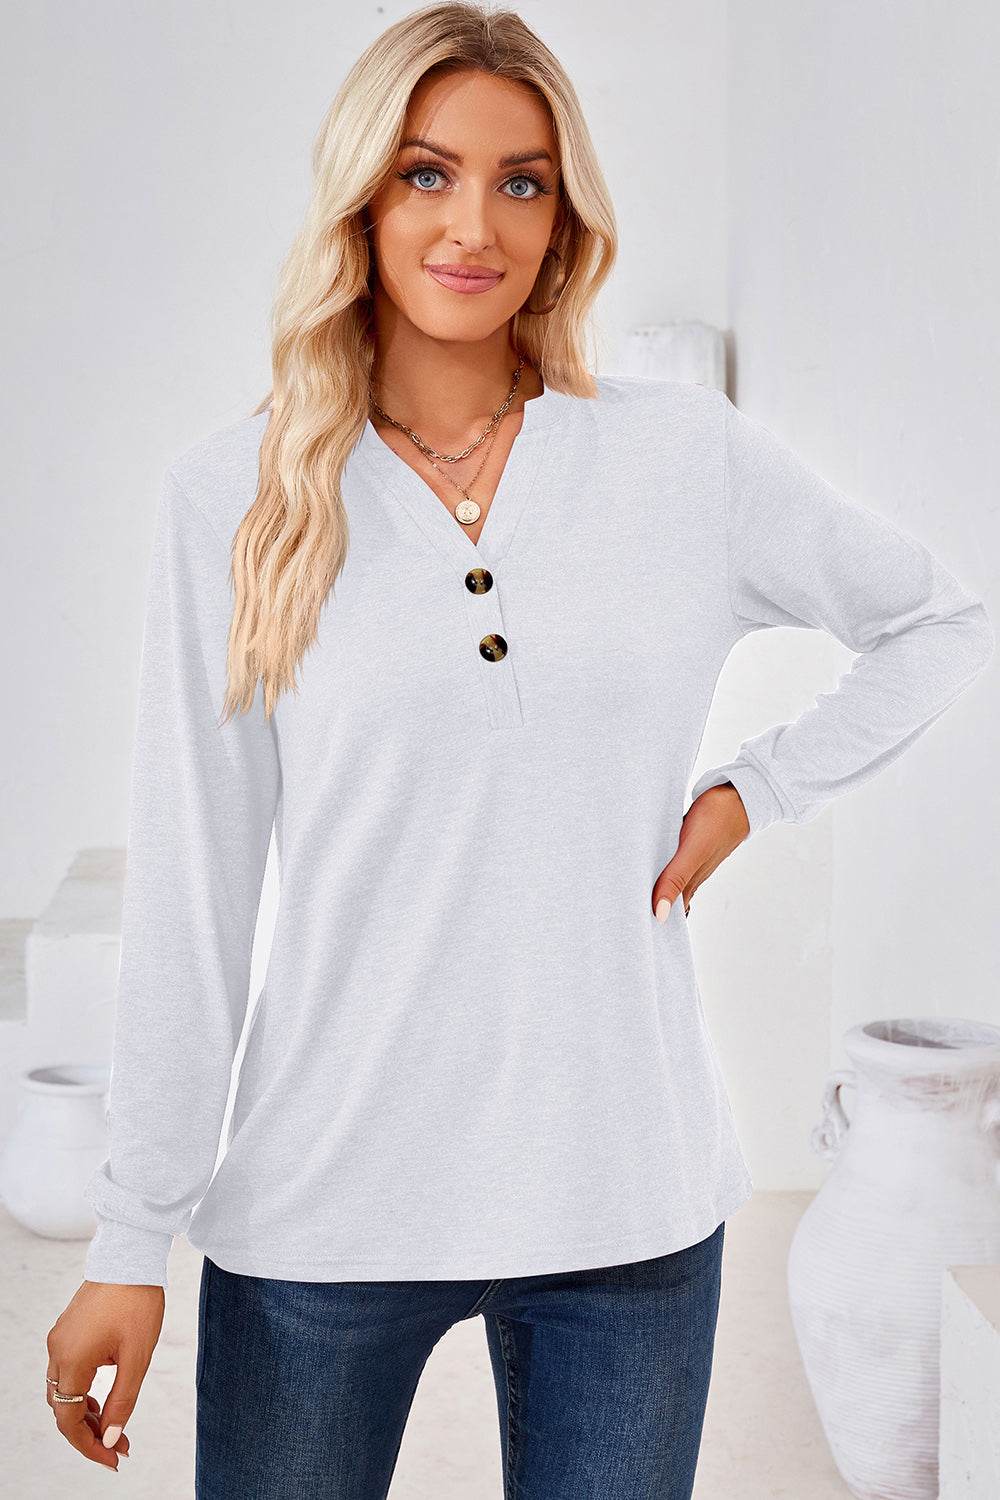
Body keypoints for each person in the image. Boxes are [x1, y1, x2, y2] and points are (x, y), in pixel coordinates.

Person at [44, 4, 994, 1496]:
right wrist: (127, 1235)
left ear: (565, 221)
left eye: (522, 182)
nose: (473, 224)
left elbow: (938, 621)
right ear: (361, 197)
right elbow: (195, 891)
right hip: (325, 1209)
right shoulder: (236, 497)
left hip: (626, 1205)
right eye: (426, 173)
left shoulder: (681, 461)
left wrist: (756, 789)